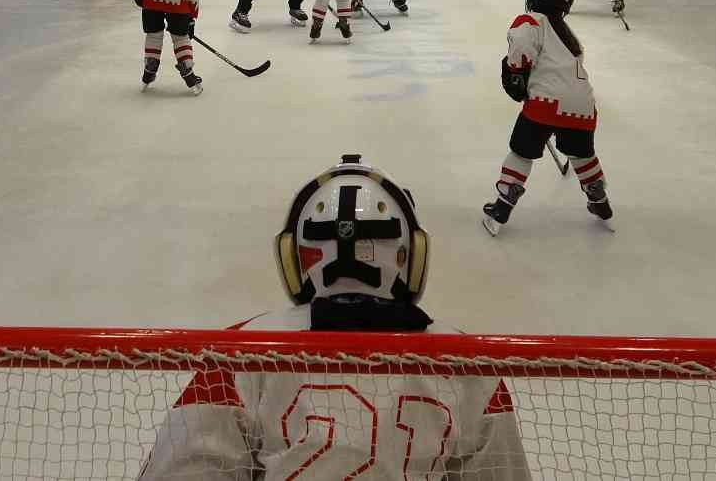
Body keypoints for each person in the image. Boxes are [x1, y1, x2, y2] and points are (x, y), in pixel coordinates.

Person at [139, 155, 531, 479]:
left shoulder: (244, 348)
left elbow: (182, 467)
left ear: (300, 256)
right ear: (408, 252)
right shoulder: (466, 363)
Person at [483, 0, 612, 236]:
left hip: (545, 104)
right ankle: (599, 200)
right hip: (584, 107)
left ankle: (503, 206)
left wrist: (515, 73)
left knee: (522, 152)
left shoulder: (531, 20)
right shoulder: (569, 36)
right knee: (582, 155)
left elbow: (519, 48)